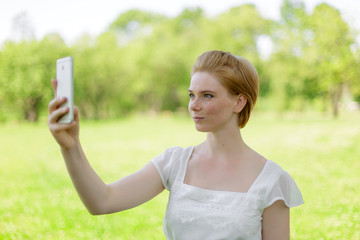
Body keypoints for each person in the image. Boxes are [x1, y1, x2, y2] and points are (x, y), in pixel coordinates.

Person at [48, 50, 303, 240]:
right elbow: (102, 201)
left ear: (239, 102)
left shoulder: (271, 181)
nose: (194, 104)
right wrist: (70, 147)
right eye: (192, 94)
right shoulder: (175, 163)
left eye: (207, 95)